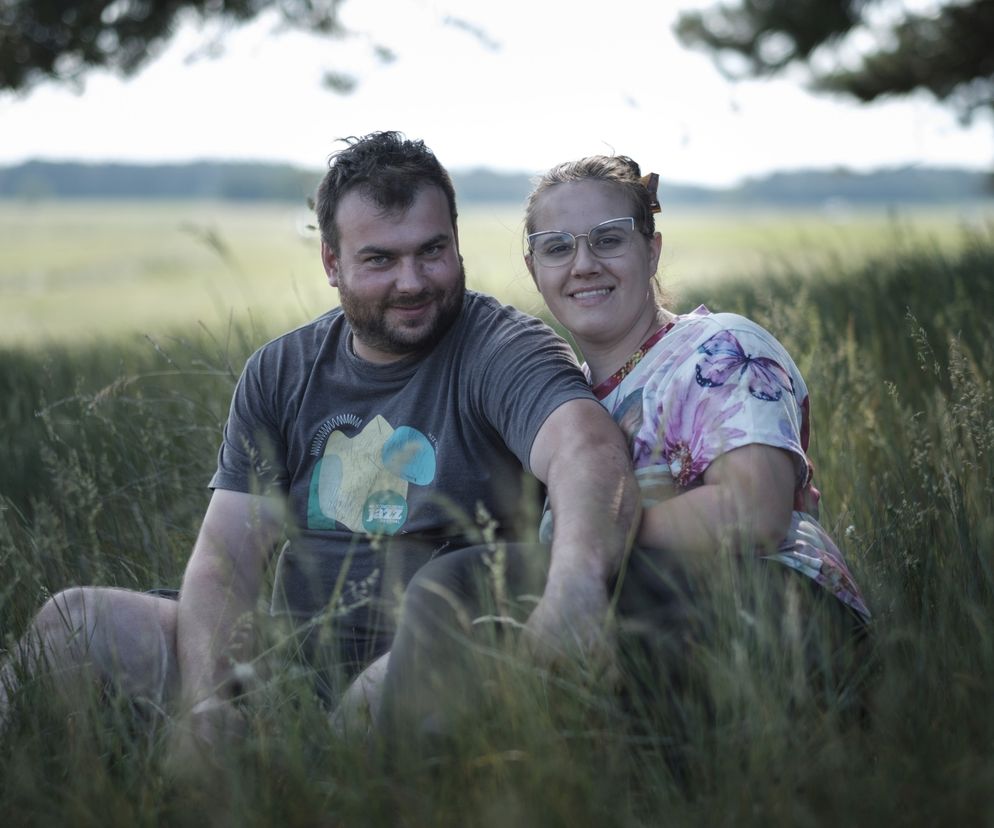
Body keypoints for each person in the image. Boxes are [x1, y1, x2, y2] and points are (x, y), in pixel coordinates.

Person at [0, 134, 641, 754]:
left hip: (431, 664)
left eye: (431, 250)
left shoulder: (501, 348)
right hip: (284, 657)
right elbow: (228, 555)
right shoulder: (281, 370)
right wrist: (207, 704)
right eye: (380, 259)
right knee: (70, 623)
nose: (413, 280)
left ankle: (313, 766)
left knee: (364, 709)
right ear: (332, 264)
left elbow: (589, 449)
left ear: (457, 243)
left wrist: (575, 592)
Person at [372, 154, 870, 747]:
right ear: (534, 269)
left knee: (459, 583)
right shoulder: (567, 407)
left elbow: (754, 511)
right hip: (656, 615)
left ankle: (416, 780)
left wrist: (592, 540)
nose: (583, 265)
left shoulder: (719, 347)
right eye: (557, 248)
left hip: (781, 615)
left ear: (652, 251)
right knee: (477, 617)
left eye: (609, 239)